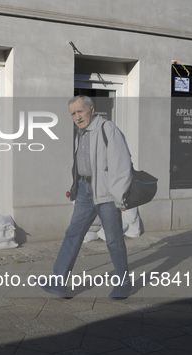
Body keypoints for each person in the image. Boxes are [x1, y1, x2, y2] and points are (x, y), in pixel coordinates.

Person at [41, 95, 134, 300]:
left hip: (107, 192)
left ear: (92, 109)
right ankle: (58, 282)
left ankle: (123, 284)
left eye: (80, 111)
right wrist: (75, 187)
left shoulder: (107, 128)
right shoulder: (80, 133)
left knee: (113, 240)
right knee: (73, 233)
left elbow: (122, 163)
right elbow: (81, 163)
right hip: (85, 190)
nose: (77, 116)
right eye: (73, 114)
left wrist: (119, 196)